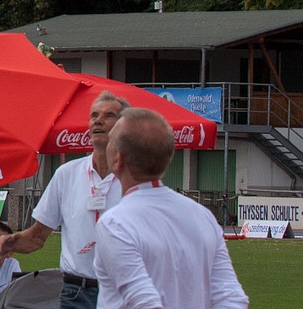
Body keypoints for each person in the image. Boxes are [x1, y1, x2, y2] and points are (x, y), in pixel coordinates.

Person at [93, 108, 247, 309]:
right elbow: (231, 298)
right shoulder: (202, 215)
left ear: (118, 159)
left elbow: (143, 301)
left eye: (110, 143)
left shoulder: (115, 223)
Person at [0, 91, 128, 309]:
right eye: (94, 116)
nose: (98, 121)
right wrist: (12, 241)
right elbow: (37, 237)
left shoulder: (135, 176)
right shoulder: (66, 174)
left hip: (122, 292)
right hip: (76, 293)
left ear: (124, 127)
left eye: (108, 115)